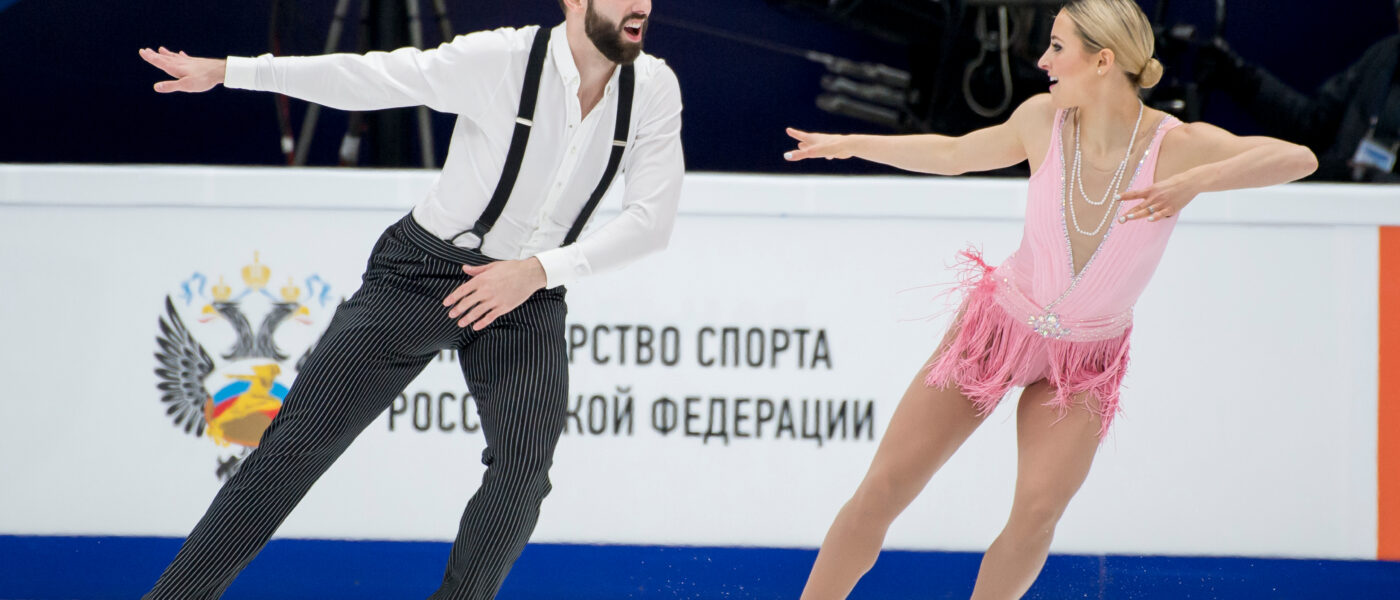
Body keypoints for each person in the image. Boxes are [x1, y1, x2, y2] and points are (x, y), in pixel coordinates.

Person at [136, 0, 682, 598]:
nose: (642, 5)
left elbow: (651, 223)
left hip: (528, 292)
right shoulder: (502, 59)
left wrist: (534, 272)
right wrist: (232, 71)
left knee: (524, 474)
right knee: (295, 447)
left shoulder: (652, 88)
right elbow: (372, 77)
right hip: (421, 275)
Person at [783, 0, 1315, 597]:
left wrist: (1197, 179)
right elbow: (955, 154)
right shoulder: (1044, 120)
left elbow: (1301, 158)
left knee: (1037, 516)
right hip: (997, 329)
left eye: (1057, 47)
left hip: (1085, 360)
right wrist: (852, 143)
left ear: (1103, 60)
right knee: (884, 488)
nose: (1042, 60)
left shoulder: (1177, 144)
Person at [1201, 0, 1400, 182]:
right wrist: (1242, 78)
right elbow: (1312, 124)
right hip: (1341, 205)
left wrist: (1381, 182)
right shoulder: (1384, 56)